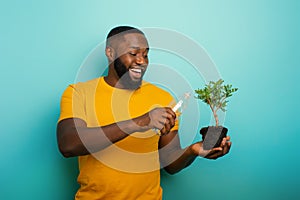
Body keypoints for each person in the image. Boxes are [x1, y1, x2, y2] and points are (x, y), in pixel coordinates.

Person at [57, 26, 231, 200]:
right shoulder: (78, 93)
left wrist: (192, 151)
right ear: (110, 53)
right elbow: (68, 145)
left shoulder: (162, 98)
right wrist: (138, 123)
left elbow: (169, 163)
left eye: (146, 54)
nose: (142, 61)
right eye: (133, 53)